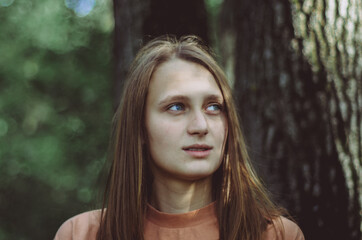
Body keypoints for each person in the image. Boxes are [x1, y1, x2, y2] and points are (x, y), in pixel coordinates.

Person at [54, 35, 304, 240]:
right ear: (140, 128)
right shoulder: (82, 234)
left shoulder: (276, 235)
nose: (200, 126)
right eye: (176, 107)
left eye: (214, 107)